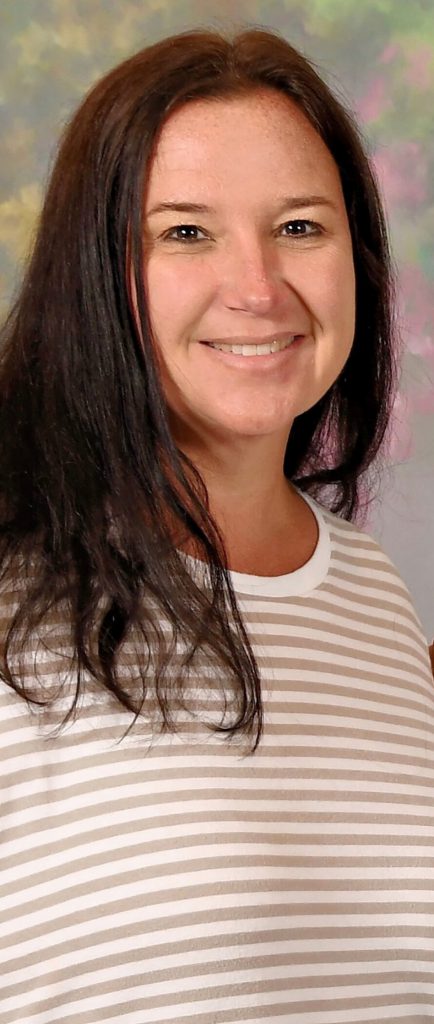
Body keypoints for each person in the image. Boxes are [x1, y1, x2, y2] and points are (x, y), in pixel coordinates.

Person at [0, 27, 433, 1024]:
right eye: (185, 232)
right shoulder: (14, 592)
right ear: (98, 274)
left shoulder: (371, 595)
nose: (257, 287)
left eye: (298, 227)